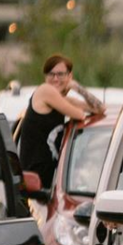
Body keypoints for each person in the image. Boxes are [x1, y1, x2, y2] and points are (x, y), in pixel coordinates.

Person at [19, 54, 105, 188]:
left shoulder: (61, 100)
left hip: (48, 179)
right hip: (34, 179)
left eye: (60, 74)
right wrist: (74, 92)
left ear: (69, 76)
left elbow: (100, 109)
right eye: (51, 74)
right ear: (45, 77)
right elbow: (80, 115)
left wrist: (77, 88)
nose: (55, 79)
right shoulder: (45, 91)